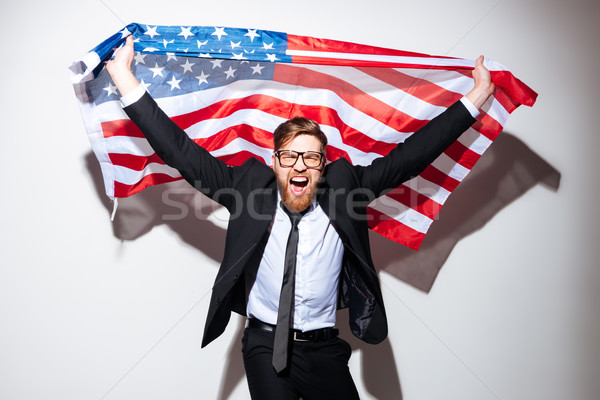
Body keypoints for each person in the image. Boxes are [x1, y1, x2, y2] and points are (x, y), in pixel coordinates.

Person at [106, 35, 495, 399]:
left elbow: (410, 157)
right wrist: (124, 77)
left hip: (326, 349)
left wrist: (474, 99)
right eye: (290, 156)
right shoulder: (246, 188)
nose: (300, 166)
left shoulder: (347, 189)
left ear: (323, 166)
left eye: (311, 157)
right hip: (264, 346)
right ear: (275, 163)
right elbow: (180, 152)